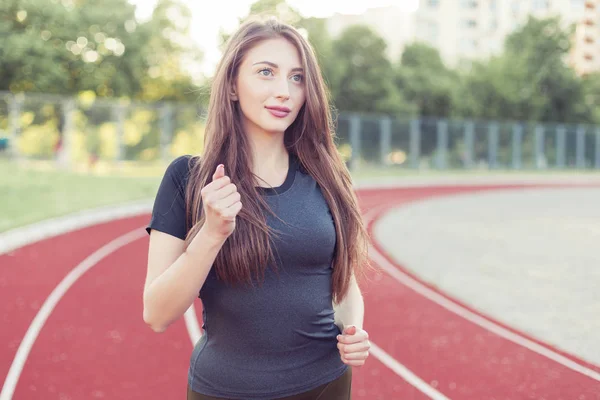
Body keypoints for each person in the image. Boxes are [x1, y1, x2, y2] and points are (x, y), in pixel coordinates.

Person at [143, 16, 372, 400]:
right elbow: (157, 313)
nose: (284, 90)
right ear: (232, 85)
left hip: (327, 385)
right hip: (228, 391)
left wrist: (353, 331)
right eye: (266, 72)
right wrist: (212, 234)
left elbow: (343, 282)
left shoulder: (327, 175)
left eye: (297, 78)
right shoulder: (187, 179)